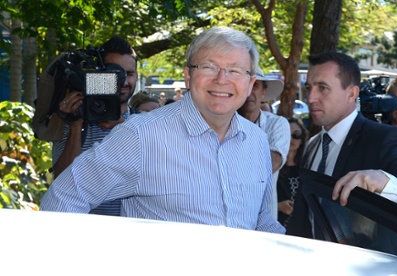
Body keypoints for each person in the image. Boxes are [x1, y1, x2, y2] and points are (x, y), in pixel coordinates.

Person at [40, 26, 285, 234]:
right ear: (188, 76)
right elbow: (62, 199)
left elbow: (261, 221)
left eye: (234, 70)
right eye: (209, 67)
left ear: (251, 83)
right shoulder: (140, 136)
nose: (222, 79)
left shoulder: (257, 141)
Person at [286, 52, 397, 257]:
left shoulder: (384, 139)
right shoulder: (312, 145)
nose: (310, 98)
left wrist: (387, 182)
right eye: (309, 88)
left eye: (322, 88)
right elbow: (304, 217)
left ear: (352, 94)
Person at [51, 36, 138, 216]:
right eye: (115, 73)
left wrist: (124, 128)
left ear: (137, 76)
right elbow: (61, 182)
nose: (123, 82)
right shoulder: (73, 122)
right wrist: (76, 126)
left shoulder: (146, 125)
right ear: (97, 75)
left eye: (129, 74)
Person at [237, 67, 290, 220]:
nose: (249, 91)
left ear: (264, 92)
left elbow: (271, 163)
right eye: (245, 85)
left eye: (255, 86)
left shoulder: (277, 123)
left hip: (263, 221)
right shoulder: (222, 123)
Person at [277, 118, 309, 226]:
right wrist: (278, 206)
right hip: (277, 229)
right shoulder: (272, 166)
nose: (291, 139)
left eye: (296, 135)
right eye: (286, 134)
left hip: (304, 230)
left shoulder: (309, 166)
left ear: (302, 139)